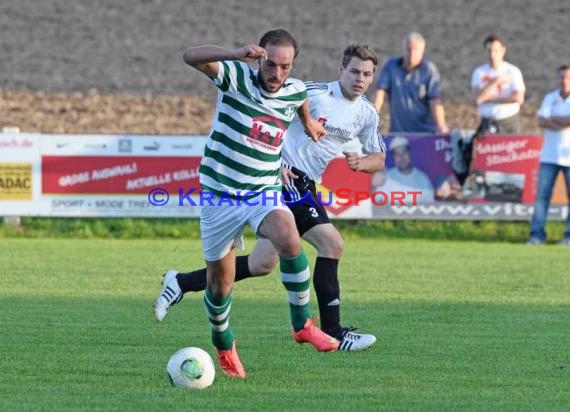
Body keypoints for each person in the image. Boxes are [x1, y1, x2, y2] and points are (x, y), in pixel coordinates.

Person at [155, 44, 387, 353]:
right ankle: (333, 331)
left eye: (367, 74)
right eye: (355, 71)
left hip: (307, 185)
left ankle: (181, 282)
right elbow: (269, 119)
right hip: (283, 179)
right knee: (332, 243)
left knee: (263, 263)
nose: (360, 78)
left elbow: (380, 157)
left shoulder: (367, 113)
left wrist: (361, 164)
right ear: (341, 70)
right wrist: (276, 164)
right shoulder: (315, 94)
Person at [175, 29, 337, 379]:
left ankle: (302, 324)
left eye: (285, 66)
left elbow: (298, 99)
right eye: (271, 64)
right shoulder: (236, 78)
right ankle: (224, 344)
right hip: (219, 195)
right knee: (221, 284)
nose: (277, 74)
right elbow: (190, 55)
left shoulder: (293, 89)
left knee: (288, 236)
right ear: (260, 57)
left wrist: (308, 122)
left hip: (261, 191)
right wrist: (234, 53)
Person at [458, 35, 526, 184]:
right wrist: (497, 82)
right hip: (487, 122)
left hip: (509, 122)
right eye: (489, 51)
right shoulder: (480, 73)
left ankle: (512, 191)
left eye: (495, 50)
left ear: (503, 51)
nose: (492, 54)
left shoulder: (512, 71)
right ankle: (482, 188)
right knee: (483, 157)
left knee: (511, 158)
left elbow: (518, 98)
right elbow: (477, 99)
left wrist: (489, 97)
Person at [372, 32, 449, 134]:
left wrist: (441, 126)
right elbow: (379, 95)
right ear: (403, 49)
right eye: (408, 49)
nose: (411, 53)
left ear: (422, 51)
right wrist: (370, 120)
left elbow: (435, 102)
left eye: (416, 50)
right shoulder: (390, 66)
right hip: (398, 134)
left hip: (425, 134)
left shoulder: (429, 70)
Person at [528, 65, 570, 245]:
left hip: (568, 157)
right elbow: (541, 120)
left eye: (567, 77)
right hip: (549, 156)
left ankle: (568, 237)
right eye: (561, 77)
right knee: (541, 198)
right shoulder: (550, 98)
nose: (564, 80)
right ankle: (537, 235)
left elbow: (549, 120)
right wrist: (563, 122)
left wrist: (553, 120)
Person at [372, 136, 434, 203]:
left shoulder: (423, 179)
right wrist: (373, 187)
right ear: (393, 158)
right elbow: (374, 204)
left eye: (404, 152)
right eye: (397, 154)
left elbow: (431, 207)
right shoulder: (386, 178)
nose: (401, 157)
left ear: (410, 153)